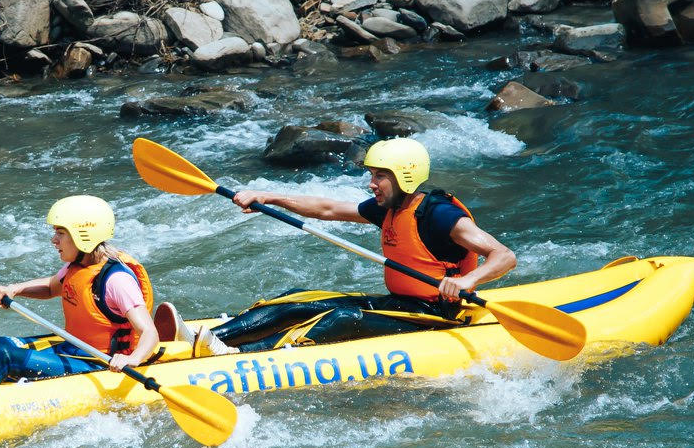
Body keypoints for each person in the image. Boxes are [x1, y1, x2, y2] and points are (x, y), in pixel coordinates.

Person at [207, 137, 517, 350]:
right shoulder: (389, 208)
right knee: (297, 302)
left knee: (343, 318)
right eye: (371, 174)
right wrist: (270, 196)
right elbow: (328, 209)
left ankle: (243, 355)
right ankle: (209, 338)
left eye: (380, 176)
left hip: (433, 316)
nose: (371, 183)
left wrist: (468, 280)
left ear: (404, 177)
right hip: (398, 305)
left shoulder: (439, 214)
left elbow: (503, 256)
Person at [0, 195, 168, 386]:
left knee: (6, 356)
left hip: (97, 360)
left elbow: (149, 332)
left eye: (61, 233)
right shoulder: (78, 266)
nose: (54, 240)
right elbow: (52, 287)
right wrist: (14, 289)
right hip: (72, 347)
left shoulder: (116, 280)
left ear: (83, 237)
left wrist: (131, 359)